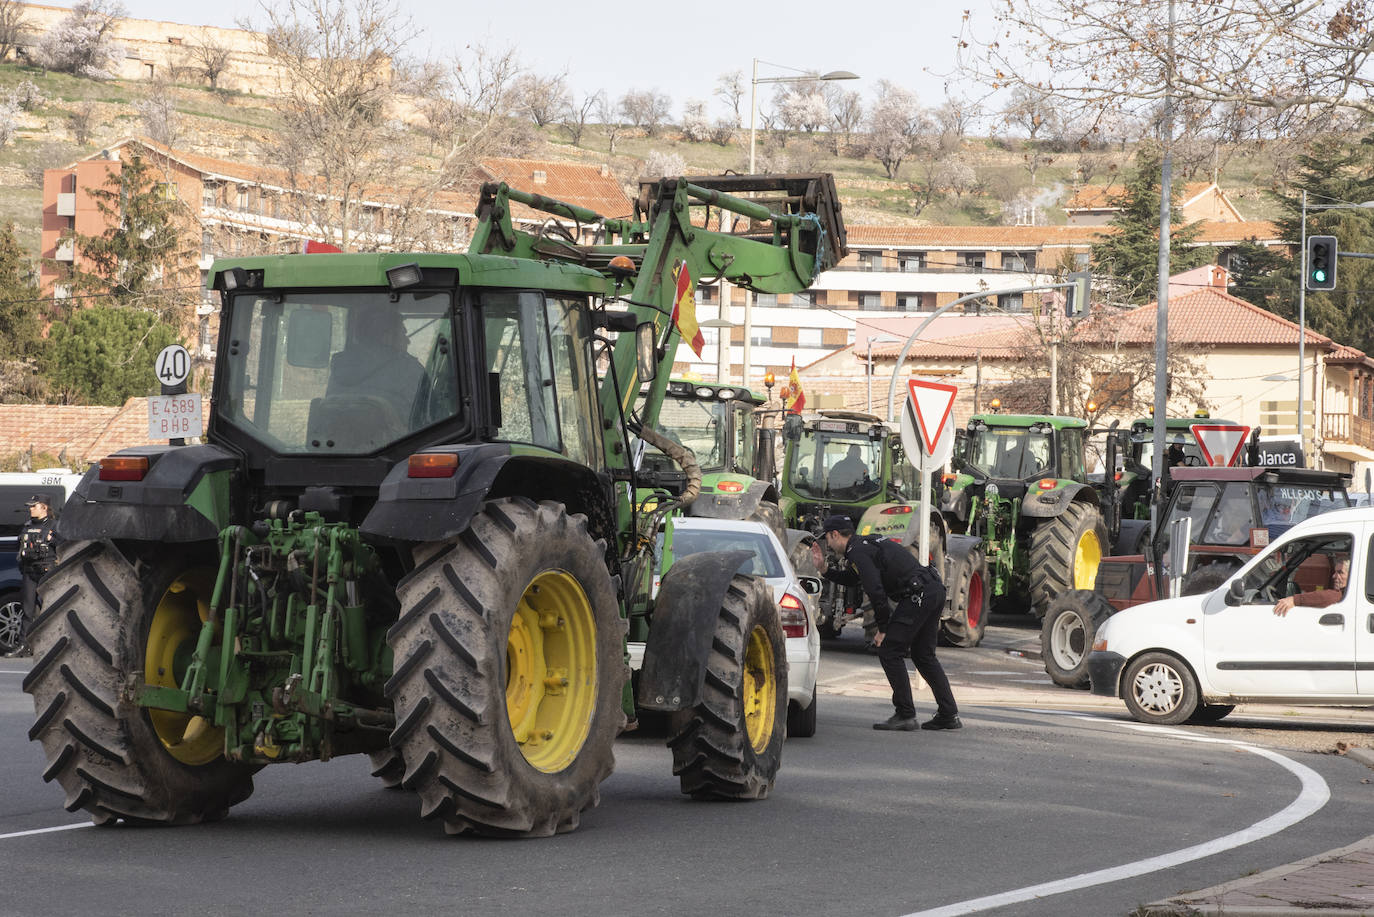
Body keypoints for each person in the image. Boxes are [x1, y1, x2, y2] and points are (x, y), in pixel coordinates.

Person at [811, 514, 961, 731]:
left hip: (918, 595)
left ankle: (905, 714)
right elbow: (855, 579)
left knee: (890, 651)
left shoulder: (857, 552)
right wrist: (825, 570)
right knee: (923, 655)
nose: (829, 545)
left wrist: (882, 629)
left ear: (834, 535)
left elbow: (875, 592)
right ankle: (949, 714)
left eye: (827, 539)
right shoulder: (864, 545)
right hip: (932, 590)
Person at [325, 307, 427, 427]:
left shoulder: (340, 368)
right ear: (387, 337)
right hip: (404, 443)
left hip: (336, 442)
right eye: (403, 334)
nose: (408, 341)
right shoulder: (408, 369)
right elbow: (431, 411)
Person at [15, 494, 58, 657]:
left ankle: (51, 646)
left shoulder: (55, 525)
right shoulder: (27, 526)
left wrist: (52, 539)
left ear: (44, 507)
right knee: (27, 610)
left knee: (51, 609)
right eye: (30, 506)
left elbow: (63, 543)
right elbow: (19, 548)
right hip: (29, 572)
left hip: (47, 572)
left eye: (34, 506)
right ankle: (23, 646)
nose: (30, 509)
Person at [1274, 556, 1349, 616]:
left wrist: (1294, 600)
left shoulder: (1343, 595)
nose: (1334, 576)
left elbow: (1327, 597)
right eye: (1335, 572)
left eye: (1340, 573)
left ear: (1352, 575)